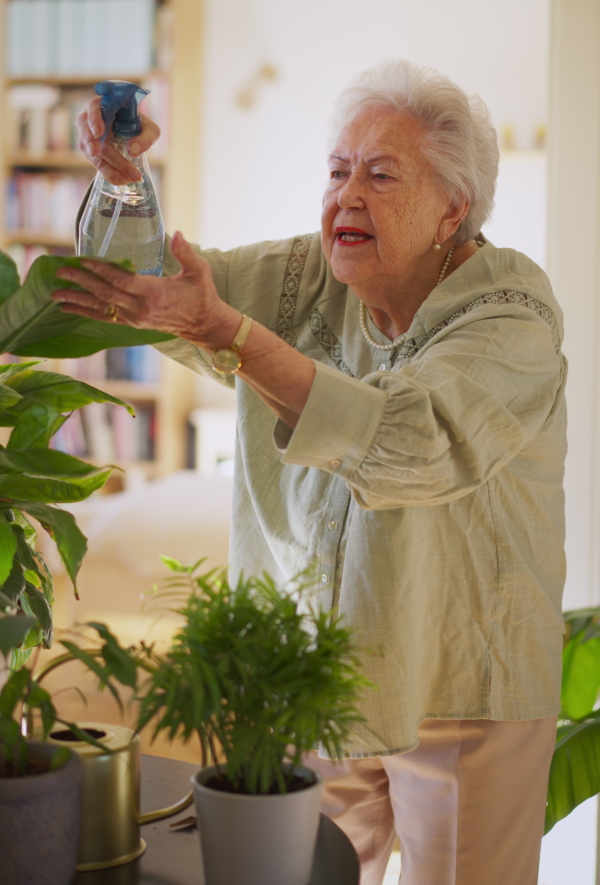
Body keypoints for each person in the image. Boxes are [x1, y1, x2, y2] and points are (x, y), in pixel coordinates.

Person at [56, 60, 567, 885]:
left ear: (452, 209)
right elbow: (145, 287)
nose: (346, 195)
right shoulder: (302, 277)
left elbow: (413, 441)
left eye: (380, 174)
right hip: (316, 676)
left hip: (461, 682)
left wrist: (234, 336)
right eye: (337, 170)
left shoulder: (510, 313)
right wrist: (124, 184)